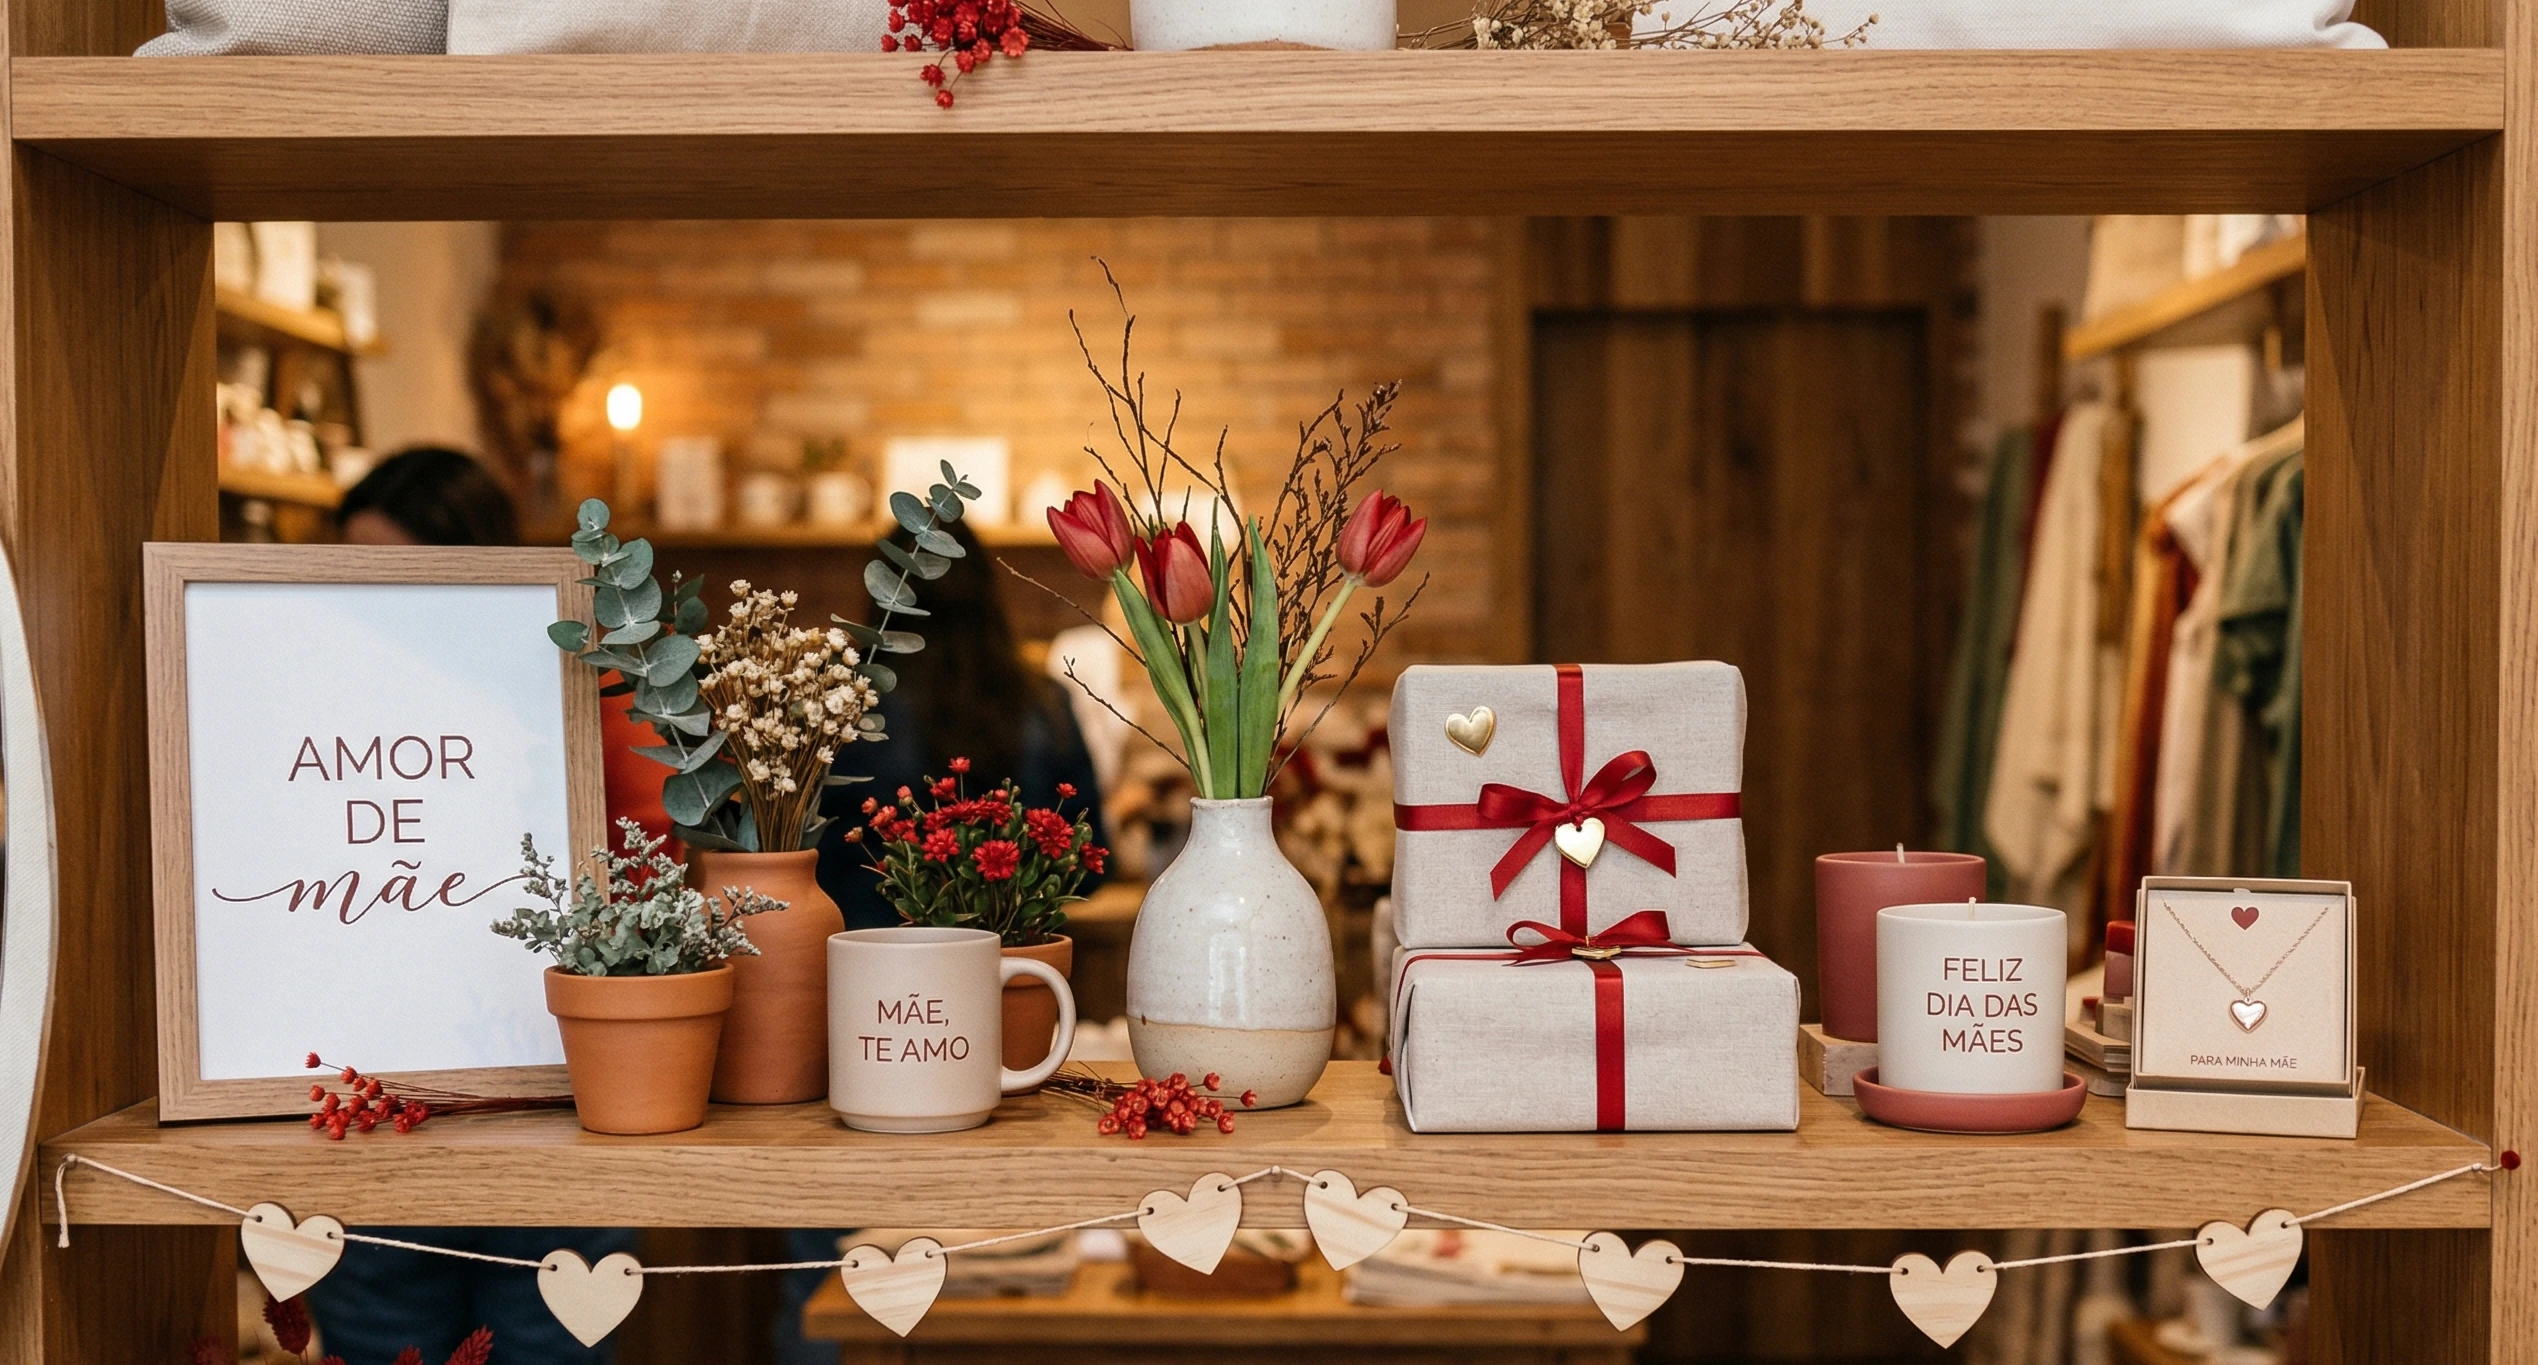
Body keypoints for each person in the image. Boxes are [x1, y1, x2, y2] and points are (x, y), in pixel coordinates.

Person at [312, 446, 637, 1365]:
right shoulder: (322, 715)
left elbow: (647, 866)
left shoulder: (582, 697)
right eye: (349, 577)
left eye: (397, 577)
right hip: (377, 1108)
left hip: (554, 1101)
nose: (371, 608)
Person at [775, 518, 1109, 1363]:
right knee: (992, 1251)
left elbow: (788, 846)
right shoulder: (1041, 703)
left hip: (858, 1019)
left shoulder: (841, 709)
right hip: (1004, 1023)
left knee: (833, 1262)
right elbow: (1091, 856)